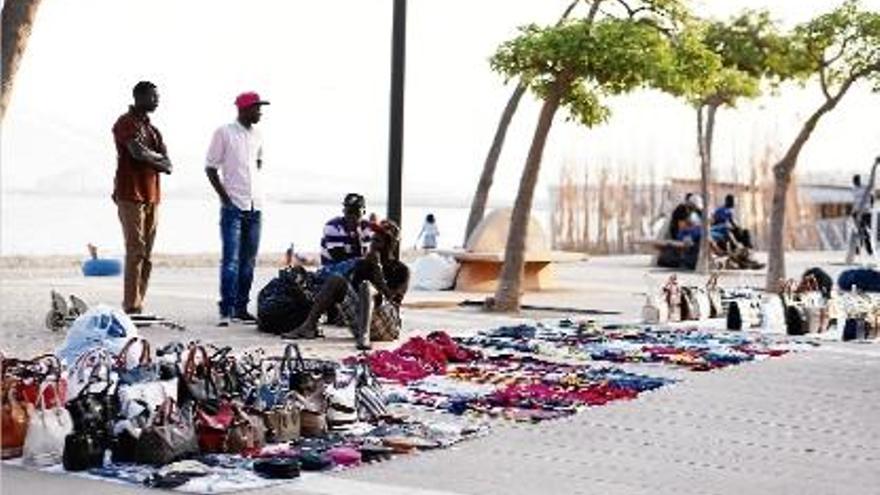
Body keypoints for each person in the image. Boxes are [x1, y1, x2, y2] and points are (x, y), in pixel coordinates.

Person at [282, 220, 409, 350]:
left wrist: (378, 274)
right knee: (336, 280)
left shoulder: (400, 269)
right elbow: (351, 295)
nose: (373, 245)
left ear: (390, 245)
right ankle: (309, 326)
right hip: (362, 323)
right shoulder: (364, 265)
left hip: (388, 328)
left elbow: (392, 300)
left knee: (367, 286)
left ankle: (364, 337)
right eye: (373, 240)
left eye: (378, 241)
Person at [205, 91, 269, 326]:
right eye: (257, 108)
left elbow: (258, 164)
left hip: (256, 206)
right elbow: (210, 168)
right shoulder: (224, 133)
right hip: (234, 205)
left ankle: (241, 308)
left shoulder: (259, 136)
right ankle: (227, 308)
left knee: (249, 260)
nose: (260, 112)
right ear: (244, 109)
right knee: (231, 259)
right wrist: (225, 197)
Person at [112, 81, 172, 315]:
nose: (157, 101)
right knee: (135, 249)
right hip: (130, 193)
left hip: (152, 196)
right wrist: (155, 158)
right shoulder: (125, 122)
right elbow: (135, 151)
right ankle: (130, 305)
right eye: (152, 97)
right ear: (139, 97)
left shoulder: (153, 130)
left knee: (147, 253)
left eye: (157, 97)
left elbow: (168, 164)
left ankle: (138, 302)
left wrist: (151, 157)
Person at [320, 193, 373, 269]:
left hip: (357, 267)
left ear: (364, 212)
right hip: (332, 268)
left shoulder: (367, 227)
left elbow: (364, 253)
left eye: (356, 212)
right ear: (344, 211)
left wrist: (358, 233)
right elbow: (338, 257)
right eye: (350, 212)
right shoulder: (333, 226)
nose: (352, 216)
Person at [852, 174, 874, 256]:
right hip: (857, 212)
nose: (855, 183)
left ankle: (869, 249)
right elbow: (854, 201)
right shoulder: (853, 189)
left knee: (867, 231)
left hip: (866, 212)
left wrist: (870, 206)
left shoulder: (864, 188)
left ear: (859, 180)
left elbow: (871, 196)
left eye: (856, 181)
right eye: (854, 181)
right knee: (858, 231)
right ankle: (858, 249)